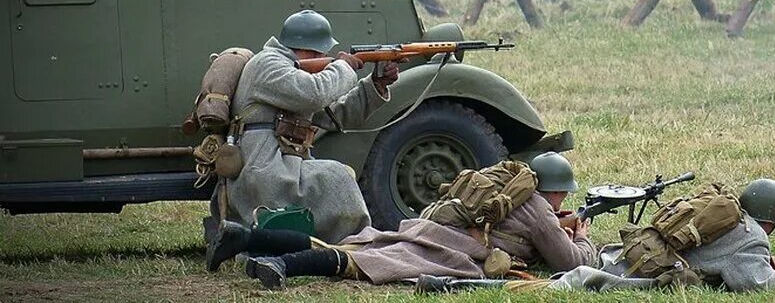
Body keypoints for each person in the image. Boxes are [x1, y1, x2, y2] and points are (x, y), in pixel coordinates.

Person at [209, 153, 597, 289]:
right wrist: (583, 238)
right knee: (358, 263)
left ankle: (245, 239)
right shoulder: (540, 211)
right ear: (558, 190)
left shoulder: (508, 186)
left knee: (355, 245)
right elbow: (572, 265)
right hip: (452, 251)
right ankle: (280, 264)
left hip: (430, 227)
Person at [219, 9, 398, 252]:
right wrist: (343, 67)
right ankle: (357, 246)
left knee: (335, 175)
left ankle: (344, 244)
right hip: (262, 169)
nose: (325, 56)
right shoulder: (268, 64)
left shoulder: (291, 69)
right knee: (336, 178)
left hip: (276, 165)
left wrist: (375, 84)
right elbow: (315, 94)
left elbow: (336, 115)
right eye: (321, 52)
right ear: (309, 49)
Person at [532, 177, 775, 293]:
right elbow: (757, 284)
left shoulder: (730, 217)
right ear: (771, 221)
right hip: (645, 269)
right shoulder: (752, 236)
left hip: (632, 254)